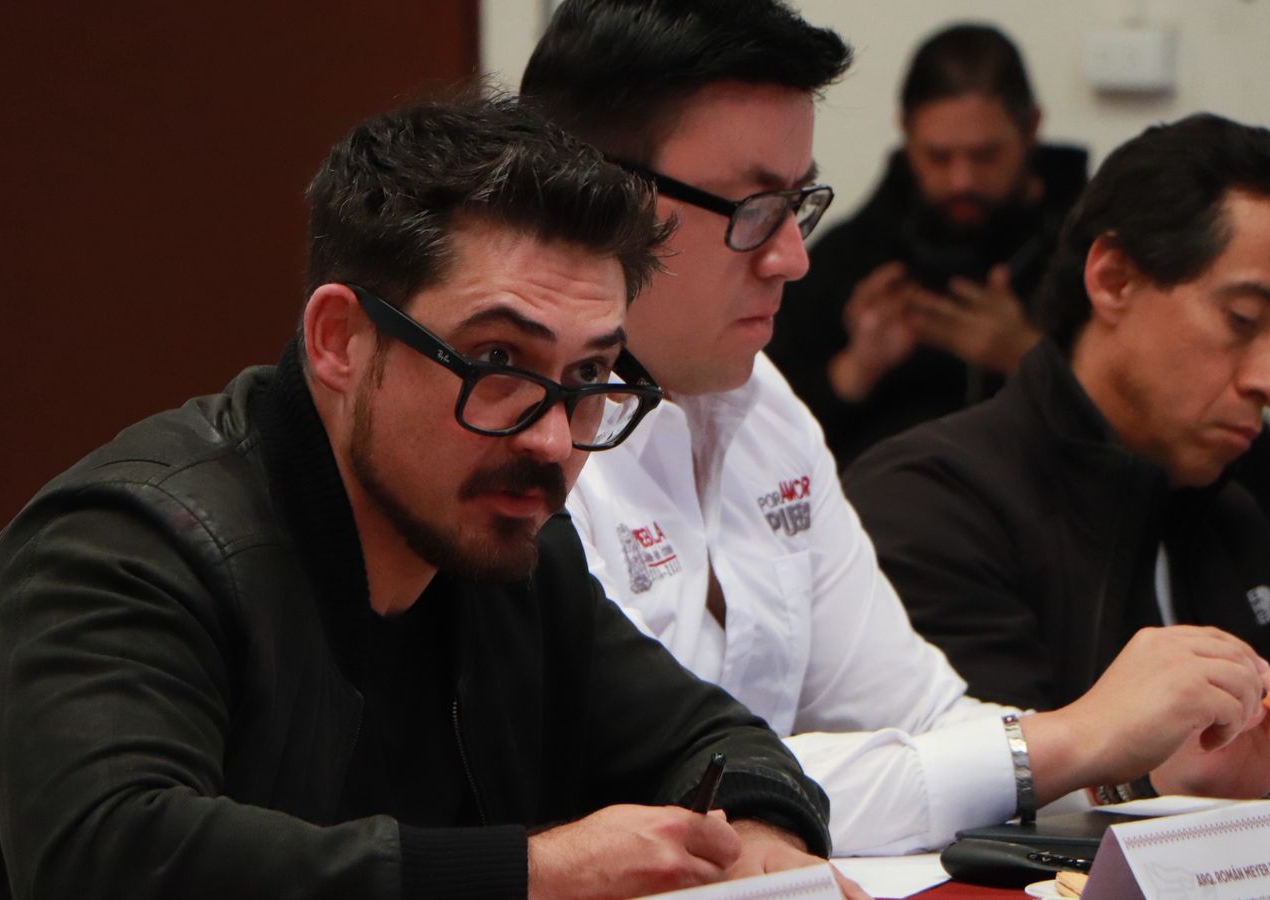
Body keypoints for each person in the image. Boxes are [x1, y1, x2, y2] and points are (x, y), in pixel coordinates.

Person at [0, 94, 850, 900]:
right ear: (339, 341)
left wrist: (762, 839)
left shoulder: (511, 552)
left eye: (589, 377)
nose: (553, 440)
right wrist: (533, 872)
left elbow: (709, 742)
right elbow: (112, 856)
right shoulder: (128, 545)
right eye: (497, 363)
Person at [521, 0, 1270, 857]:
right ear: (598, 199)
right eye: (753, 208)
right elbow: (667, 794)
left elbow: (919, 715)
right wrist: (1074, 740)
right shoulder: (529, 442)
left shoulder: (763, 407)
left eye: (797, 205)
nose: (794, 257)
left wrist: (1132, 767)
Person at [846, 115, 1270, 760]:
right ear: (1114, 279)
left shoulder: (1236, 512)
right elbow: (967, 786)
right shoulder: (929, 505)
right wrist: (1162, 775)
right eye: (1242, 319)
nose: (1264, 378)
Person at [769, 24, 1088, 466]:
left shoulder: (1093, 253)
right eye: (939, 156)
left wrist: (1029, 356)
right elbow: (761, 438)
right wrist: (856, 368)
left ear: (1030, 127)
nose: (962, 180)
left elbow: (1145, 420)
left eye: (985, 155)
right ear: (906, 132)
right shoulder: (851, 256)